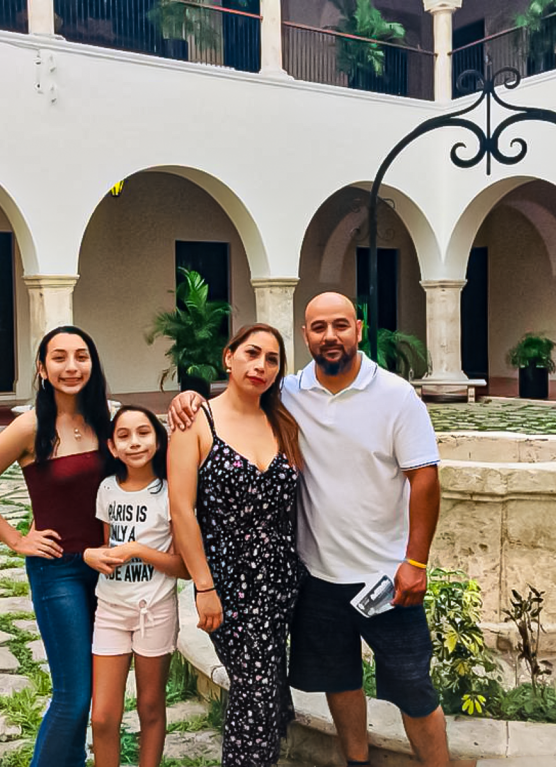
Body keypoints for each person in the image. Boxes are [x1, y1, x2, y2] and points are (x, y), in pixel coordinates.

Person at [169, 294, 456, 767]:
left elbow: (424, 478)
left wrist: (416, 561)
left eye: (340, 325)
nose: (330, 336)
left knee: (414, 690)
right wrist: (191, 396)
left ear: (358, 329)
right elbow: (230, 408)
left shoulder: (395, 395)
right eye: (318, 327)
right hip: (317, 579)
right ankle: (356, 762)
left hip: (387, 577)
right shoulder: (289, 395)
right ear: (306, 336)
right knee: (340, 682)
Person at [0, 325, 112, 767]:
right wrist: (17, 539)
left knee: (98, 691)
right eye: (59, 357)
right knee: (73, 695)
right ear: (42, 368)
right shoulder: (30, 426)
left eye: (81, 356)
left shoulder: (107, 419)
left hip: (106, 568)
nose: (72, 366)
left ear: (93, 364)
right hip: (57, 570)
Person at [169, 323, 304, 767]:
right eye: (251, 353)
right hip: (229, 583)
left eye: (272, 359)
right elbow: (182, 510)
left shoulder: (282, 421)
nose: (260, 365)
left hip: (282, 580)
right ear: (228, 357)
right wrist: (204, 587)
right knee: (254, 688)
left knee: (268, 687)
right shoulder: (196, 421)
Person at [82, 406, 189, 767]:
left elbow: (183, 567)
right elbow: (106, 547)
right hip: (111, 609)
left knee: (150, 706)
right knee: (103, 716)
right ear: (112, 447)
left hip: (154, 610)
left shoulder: (170, 494)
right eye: (124, 436)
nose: (134, 443)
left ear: (159, 441)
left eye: (144, 433)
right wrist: (97, 557)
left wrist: (139, 550)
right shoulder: (107, 489)